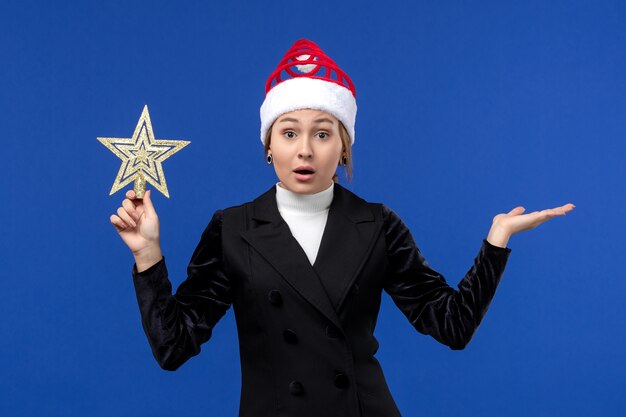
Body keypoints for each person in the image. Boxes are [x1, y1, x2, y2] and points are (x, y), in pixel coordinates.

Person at [110, 39, 575, 417]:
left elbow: (452, 326)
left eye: (323, 132)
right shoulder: (233, 228)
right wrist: (147, 254)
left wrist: (497, 241)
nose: (305, 150)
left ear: (344, 147)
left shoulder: (377, 224)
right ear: (268, 145)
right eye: (289, 132)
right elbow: (173, 348)